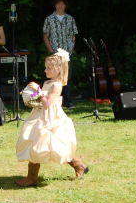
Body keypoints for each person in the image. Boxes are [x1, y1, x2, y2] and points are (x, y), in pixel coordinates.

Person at [15, 50, 88, 186]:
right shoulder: (47, 82)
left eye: (49, 68)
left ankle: (78, 165)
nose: (45, 70)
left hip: (51, 118)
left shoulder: (57, 85)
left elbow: (47, 103)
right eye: (46, 67)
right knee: (35, 142)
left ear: (59, 69)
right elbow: (41, 101)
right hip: (40, 114)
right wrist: (31, 100)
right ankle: (31, 177)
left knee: (55, 145)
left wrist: (38, 90)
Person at [42, 0, 78, 108]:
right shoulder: (49, 19)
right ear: (55, 5)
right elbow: (45, 35)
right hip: (55, 52)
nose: (60, 6)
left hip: (67, 52)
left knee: (67, 76)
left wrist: (72, 49)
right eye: (58, 3)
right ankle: (54, 100)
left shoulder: (70, 19)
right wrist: (51, 50)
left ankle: (67, 100)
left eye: (62, 4)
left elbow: (73, 35)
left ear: (65, 5)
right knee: (54, 76)